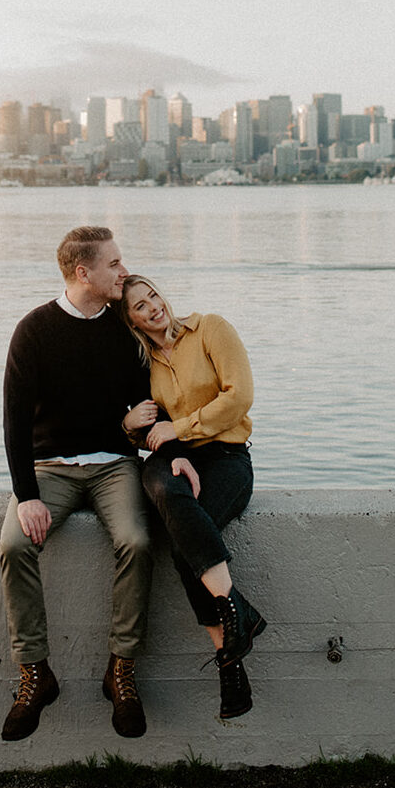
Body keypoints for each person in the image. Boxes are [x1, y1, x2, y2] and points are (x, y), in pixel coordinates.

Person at [0, 227, 153, 741]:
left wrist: (153, 436)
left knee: (136, 540)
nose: (123, 271)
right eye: (114, 264)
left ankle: (121, 669)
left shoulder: (123, 330)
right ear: (83, 273)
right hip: (49, 468)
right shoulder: (34, 330)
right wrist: (27, 496)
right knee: (15, 543)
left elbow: (145, 408)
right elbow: (14, 422)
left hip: (114, 465)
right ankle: (35, 673)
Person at [120, 275, 266, 721]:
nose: (152, 309)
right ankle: (236, 608)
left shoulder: (210, 330)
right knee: (164, 491)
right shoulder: (144, 365)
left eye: (153, 297)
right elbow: (146, 431)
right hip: (174, 460)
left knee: (186, 548)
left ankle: (229, 665)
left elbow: (239, 397)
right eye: (140, 308)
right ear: (132, 321)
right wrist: (130, 426)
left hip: (226, 459)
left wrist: (179, 427)